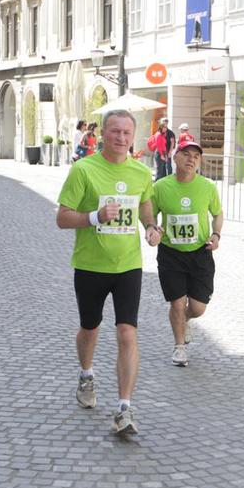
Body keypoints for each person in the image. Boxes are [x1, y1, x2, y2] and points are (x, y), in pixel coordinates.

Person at [55, 109, 163, 436]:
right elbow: (62, 217)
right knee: (90, 329)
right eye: (115, 131)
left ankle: (124, 408)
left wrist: (150, 226)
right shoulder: (83, 170)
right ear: (104, 133)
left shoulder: (140, 172)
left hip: (128, 265)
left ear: (133, 136)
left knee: (127, 332)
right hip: (90, 265)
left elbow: (145, 203)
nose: (121, 137)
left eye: (127, 133)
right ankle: (86, 374)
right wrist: (95, 217)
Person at [151, 140, 223, 367]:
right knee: (177, 303)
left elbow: (217, 214)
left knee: (198, 308)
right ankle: (179, 346)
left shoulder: (207, 186)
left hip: (200, 252)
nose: (191, 159)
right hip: (171, 253)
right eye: (186, 154)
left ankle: (186, 319)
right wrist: (153, 230)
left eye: (196, 156)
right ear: (175, 157)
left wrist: (216, 235)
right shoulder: (160, 187)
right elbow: (150, 217)